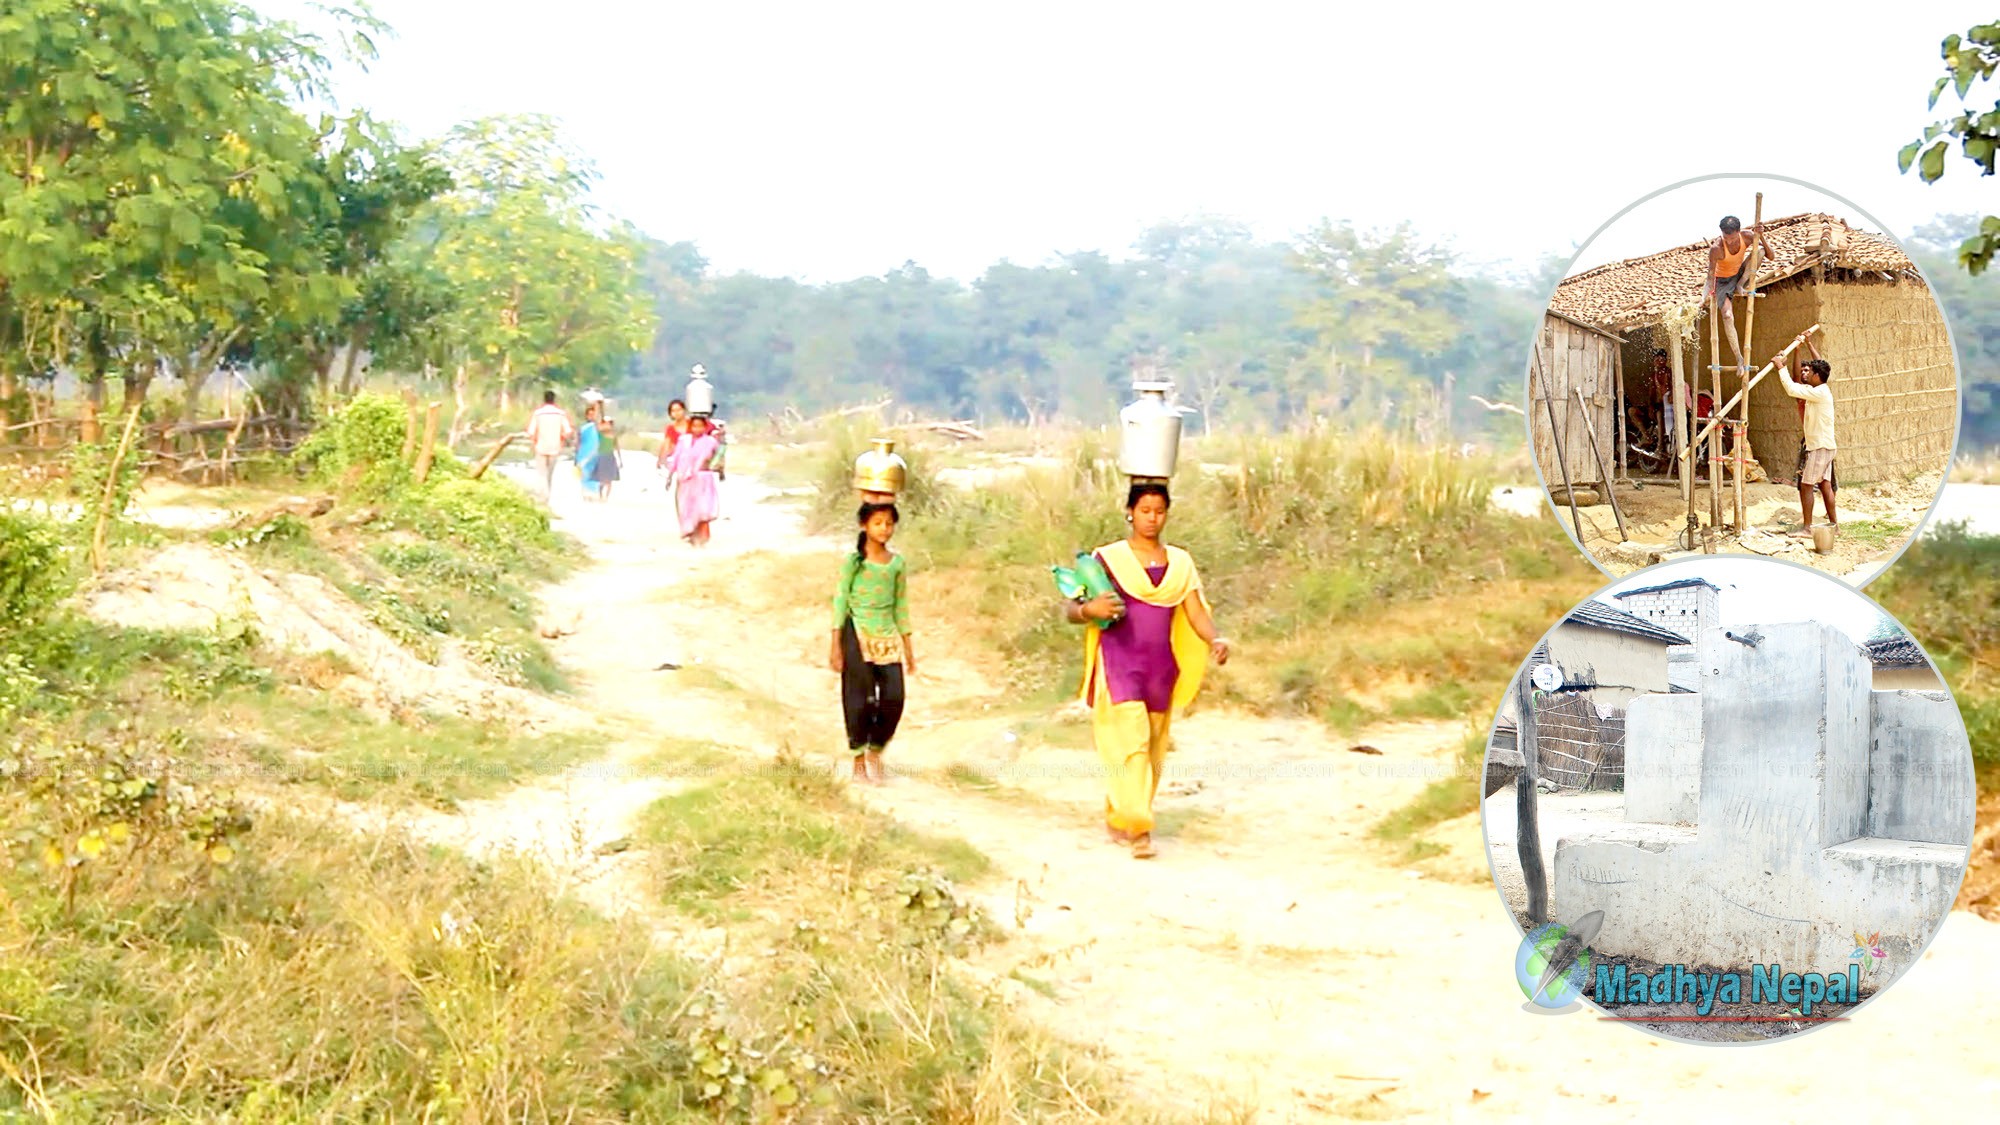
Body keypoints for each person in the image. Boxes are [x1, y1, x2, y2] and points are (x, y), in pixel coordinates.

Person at [1065, 482, 1230, 860]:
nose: (1151, 518)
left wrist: (1215, 640)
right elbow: (1073, 608)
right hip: (1119, 661)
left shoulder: (1181, 564)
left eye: (1159, 511)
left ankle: (1121, 813)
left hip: (1160, 667)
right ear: (1130, 512)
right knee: (1131, 741)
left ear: (1166, 514)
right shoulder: (1107, 559)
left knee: (1153, 749)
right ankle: (1140, 829)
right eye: (1144, 510)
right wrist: (1091, 611)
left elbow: (1196, 611)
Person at [829, 501, 914, 785]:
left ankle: (876, 751)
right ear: (864, 526)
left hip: (887, 634)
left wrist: (909, 649)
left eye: (889, 523)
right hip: (857, 632)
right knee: (859, 700)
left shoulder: (897, 564)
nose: (884, 529)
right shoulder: (854, 563)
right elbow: (840, 600)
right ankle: (858, 761)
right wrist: (836, 643)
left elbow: (901, 605)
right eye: (878, 523)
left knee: (894, 698)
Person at [1775, 336, 1837, 537]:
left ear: (1817, 375)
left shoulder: (1818, 392)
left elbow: (1791, 388)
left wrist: (1779, 367)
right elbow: (1819, 368)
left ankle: (1808, 529)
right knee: (1824, 484)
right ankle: (1834, 526)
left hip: (1819, 447)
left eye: (1809, 371)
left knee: (1806, 485)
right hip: (1823, 445)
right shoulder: (1817, 389)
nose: (1805, 373)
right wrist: (1806, 345)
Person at [1702, 215, 1779, 372]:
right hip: (1722, 281)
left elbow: (1771, 256)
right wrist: (1706, 296)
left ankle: (1740, 285)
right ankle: (1739, 358)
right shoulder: (1716, 249)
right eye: (1726, 238)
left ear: (1738, 231)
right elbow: (1710, 276)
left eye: (1732, 238)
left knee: (1761, 251)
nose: (1729, 241)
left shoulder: (1747, 236)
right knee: (1728, 316)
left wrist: (1761, 236)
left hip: (1739, 274)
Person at [663, 415, 721, 545]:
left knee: (703, 508)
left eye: (700, 426)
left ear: (705, 427)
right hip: (685, 480)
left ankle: (703, 538)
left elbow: (717, 456)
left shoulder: (710, 442)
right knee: (687, 507)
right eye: (694, 426)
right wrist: (670, 476)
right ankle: (691, 534)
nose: (697, 429)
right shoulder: (684, 440)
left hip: (703, 479)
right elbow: (676, 457)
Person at [523, 390, 575, 501]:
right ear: (554, 400)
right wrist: (562, 439)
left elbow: (531, 431)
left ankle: (543, 496)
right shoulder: (560, 414)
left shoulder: (538, 413)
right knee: (550, 473)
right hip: (555, 447)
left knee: (541, 473)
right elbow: (568, 431)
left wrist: (534, 442)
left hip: (540, 446)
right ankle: (547, 496)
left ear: (544, 399)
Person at [575, 401, 603, 501]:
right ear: (586, 416)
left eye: (593, 414)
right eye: (589, 414)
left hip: (594, 453)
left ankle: (595, 493)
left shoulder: (597, 427)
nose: (591, 416)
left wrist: (598, 405)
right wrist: (576, 454)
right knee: (584, 474)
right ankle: (586, 493)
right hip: (583, 453)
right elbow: (578, 441)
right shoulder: (583, 428)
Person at [592, 415, 622, 502]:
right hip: (601, 456)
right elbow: (596, 426)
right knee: (601, 479)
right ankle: (601, 495)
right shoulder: (600, 433)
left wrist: (620, 460)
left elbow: (617, 447)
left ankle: (606, 497)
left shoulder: (613, 435)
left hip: (610, 457)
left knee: (609, 479)